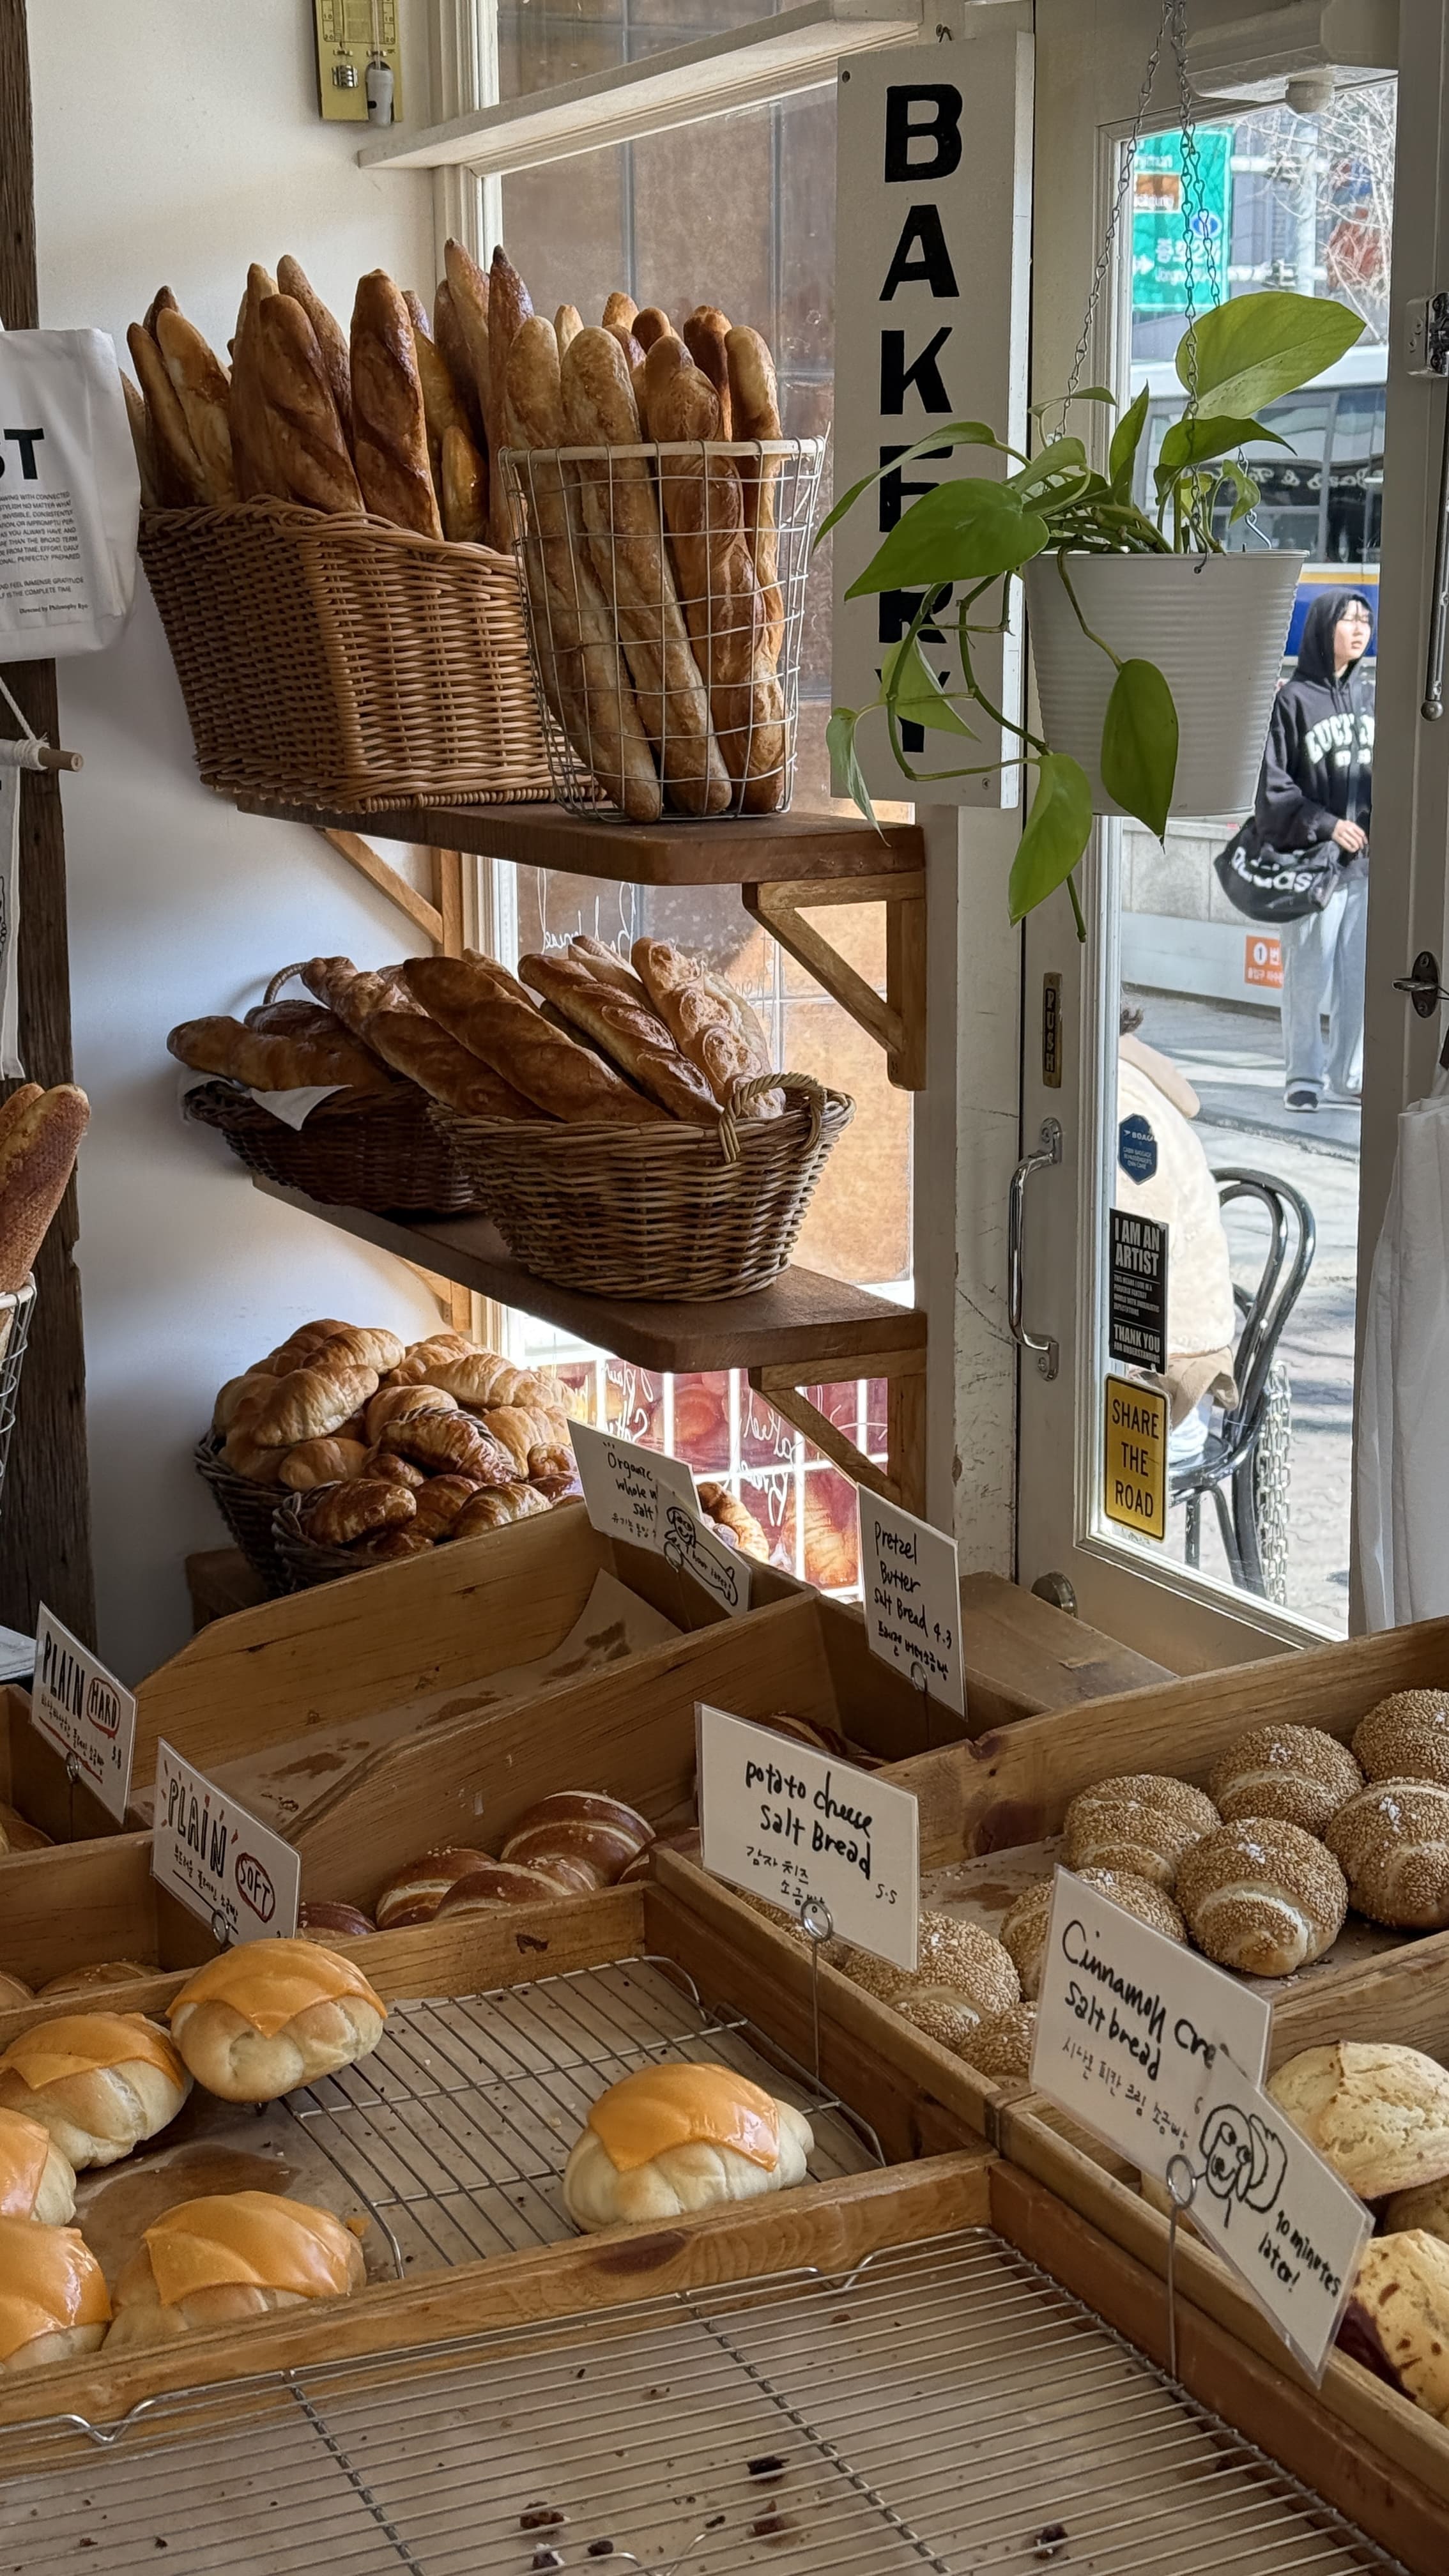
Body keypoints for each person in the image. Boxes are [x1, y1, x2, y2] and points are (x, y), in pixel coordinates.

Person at [1255, 588, 1374, 1111]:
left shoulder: (1371, 697)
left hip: (1365, 868)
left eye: (1365, 620)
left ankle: (1349, 1074)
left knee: (1360, 980)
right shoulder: (1292, 700)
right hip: (1310, 866)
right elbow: (1273, 787)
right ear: (1324, 628)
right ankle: (1303, 1077)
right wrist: (1326, 825)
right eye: (1348, 620)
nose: (1359, 628)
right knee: (1307, 979)